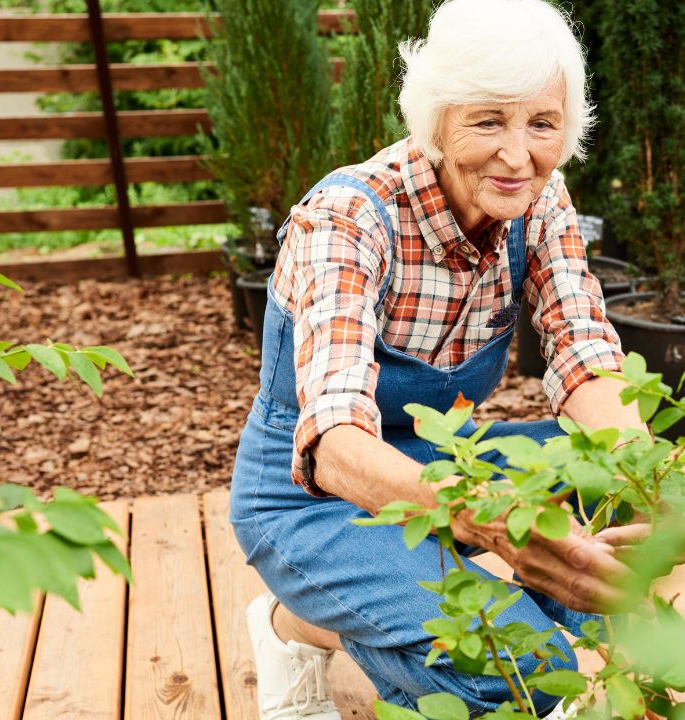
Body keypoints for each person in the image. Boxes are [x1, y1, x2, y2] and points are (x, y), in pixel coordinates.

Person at [229, 1, 647, 717]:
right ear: (437, 116)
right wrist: (495, 524)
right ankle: (347, 612)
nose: (519, 156)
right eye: (489, 120)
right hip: (307, 495)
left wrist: (644, 472)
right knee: (518, 666)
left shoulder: (535, 200)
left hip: (442, 464)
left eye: (542, 124)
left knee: (606, 473)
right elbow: (334, 445)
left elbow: (584, 353)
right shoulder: (350, 219)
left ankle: (299, 623)